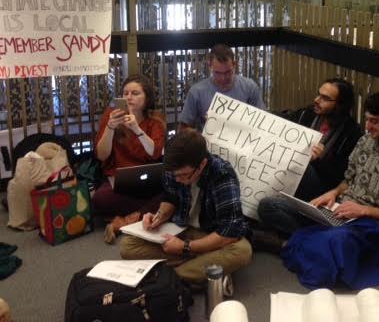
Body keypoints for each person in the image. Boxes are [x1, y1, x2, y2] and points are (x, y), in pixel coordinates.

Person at [257, 91, 379, 288]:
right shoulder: (365, 142)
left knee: (338, 240)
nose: (368, 126)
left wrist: (364, 210)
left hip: (369, 225)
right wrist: (333, 193)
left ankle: (291, 244)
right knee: (270, 205)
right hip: (339, 210)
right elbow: (348, 180)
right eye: (367, 120)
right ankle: (311, 241)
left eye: (375, 122)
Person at [119, 129, 252, 287]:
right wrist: (159, 216)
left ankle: (172, 277)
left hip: (211, 234)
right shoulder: (174, 168)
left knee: (242, 251)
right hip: (182, 230)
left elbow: (230, 232)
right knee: (127, 245)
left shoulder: (222, 174)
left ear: (202, 164)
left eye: (183, 175)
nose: (178, 179)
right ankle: (205, 267)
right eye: (174, 175)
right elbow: (170, 197)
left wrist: (185, 248)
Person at [93, 74, 166, 243]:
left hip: (148, 181)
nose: (129, 97)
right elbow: (101, 155)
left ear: (146, 97)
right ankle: (144, 215)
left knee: (171, 192)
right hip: (118, 182)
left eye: (135, 93)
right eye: (125, 93)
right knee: (98, 199)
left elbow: (155, 153)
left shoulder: (155, 119)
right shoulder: (111, 116)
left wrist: (136, 129)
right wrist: (111, 127)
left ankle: (122, 222)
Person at [284, 78, 363, 201]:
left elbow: (340, 178)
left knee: (304, 167)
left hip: (323, 187)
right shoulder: (307, 113)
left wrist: (319, 161)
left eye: (325, 98)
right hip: (289, 176)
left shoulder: (351, 133)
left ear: (340, 105)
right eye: (318, 95)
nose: (316, 100)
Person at [179, 44, 265, 130]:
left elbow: (263, 121)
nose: (223, 78)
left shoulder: (250, 88)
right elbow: (184, 127)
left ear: (234, 64)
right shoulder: (197, 92)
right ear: (210, 66)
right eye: (217, 73)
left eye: (228, 72)